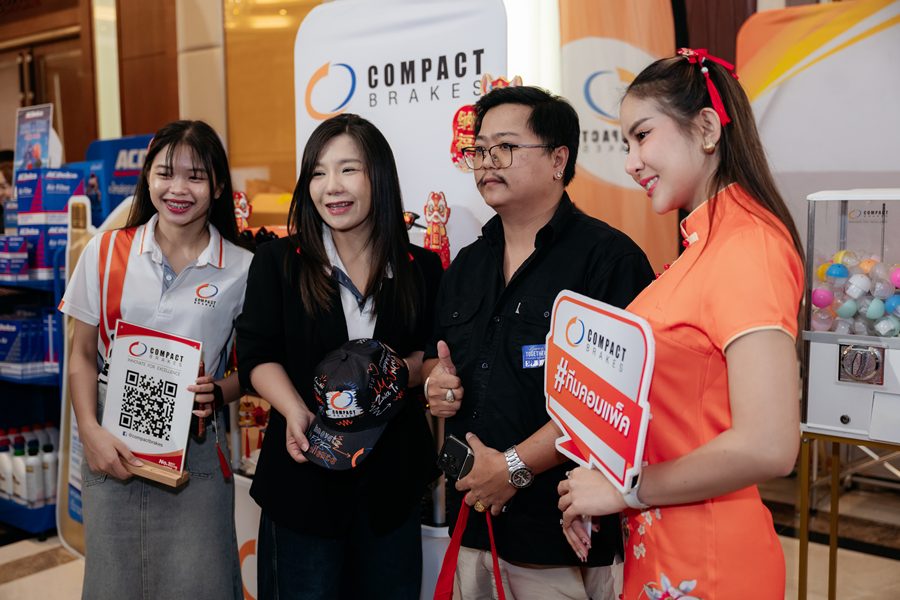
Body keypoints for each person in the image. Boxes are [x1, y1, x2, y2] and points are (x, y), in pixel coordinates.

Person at [558, 49, 805, 599]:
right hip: (665, 549)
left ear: (708, 129)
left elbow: (770, 445)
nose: (631, 162)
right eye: (625, 144)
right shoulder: (703, 248)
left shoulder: (748, 247)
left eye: (642, 135)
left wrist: (627, 489)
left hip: (709, 565)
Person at [424, 86, 655, 599]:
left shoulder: (609, 261)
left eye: (505, 147)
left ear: (557, 159)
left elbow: (614, 405)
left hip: (563, 537)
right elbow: (437, 363)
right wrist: (436, 385)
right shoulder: (466, 265)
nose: (487, 161)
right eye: (480, 150)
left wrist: (513, 467)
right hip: (474, 524)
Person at [235, 113, 443, 600]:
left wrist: (403, 372)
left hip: (391, 488)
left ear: (379, 176)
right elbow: (257, 355)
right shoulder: (278, 262)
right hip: (303, 481)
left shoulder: (421, 267)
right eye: (318, 173)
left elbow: (433, 355)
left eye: (349, 169)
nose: (332, 186)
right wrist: (294, 410)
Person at [60, 120, 251, 599]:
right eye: (165, 173)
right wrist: (89, 433)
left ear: (218, 186)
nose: (178, 189)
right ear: (147, 177)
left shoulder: (243, 267)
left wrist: (219, 391)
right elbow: (80, 354)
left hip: (196, 451)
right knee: (114, 585)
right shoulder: (105, 251)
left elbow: (254, 370)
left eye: (195, 176)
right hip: (111, 445)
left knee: (200, 585)